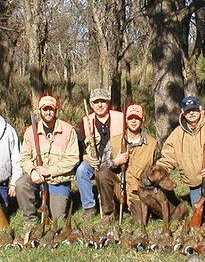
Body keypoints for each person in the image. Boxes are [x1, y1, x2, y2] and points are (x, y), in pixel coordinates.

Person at [16, 95, 79, 225]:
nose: (48, 112)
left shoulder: (68, 130)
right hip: (36, 178)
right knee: (21, 184)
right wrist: (32, 171)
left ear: (56, 110)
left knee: (58, 220)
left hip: (58, 179)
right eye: (45, 109)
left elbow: (73, 159)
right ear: (40, 111)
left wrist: (49, 171)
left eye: (51, 109)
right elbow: (24, 157)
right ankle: (30, 220)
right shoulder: (30, 132)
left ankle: (55, 203)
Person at [156, 95, 205, 219]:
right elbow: (167, 159)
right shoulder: (177, 134)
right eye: (188, 110)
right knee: (198, 213)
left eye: (194, 109)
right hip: (194, 183)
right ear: (183, 112)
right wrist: (156, 173)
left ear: (200, 110)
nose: (191, 113)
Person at [103, 104, 159, 223]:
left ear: (142, 119)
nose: (133, 121)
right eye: (130, 118)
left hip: (137, 190)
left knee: (141, 221)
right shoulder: (114, 141)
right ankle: (110, 212)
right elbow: (101, 167)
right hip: (117, 186)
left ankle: (137, 209)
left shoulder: (152, 144)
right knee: (102, 174)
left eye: (137, 118)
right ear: (126, 120)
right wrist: (115, 162)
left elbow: (158, 170)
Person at [76, 88, 123, 219]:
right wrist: (86, 157)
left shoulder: (120, 118)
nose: (100, 105)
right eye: (96, 102)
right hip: (95, 163)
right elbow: (80, 147)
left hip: (115, 162)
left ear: (108, 102)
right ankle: (89, 207)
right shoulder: (86, 121)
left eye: (103, 101)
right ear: (91, 104)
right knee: (81, 171)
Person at [0, 115, 23, 208]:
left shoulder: (9, 131)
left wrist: (14, 183)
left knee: (2, 220)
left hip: (1, 184)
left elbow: (18, 160)